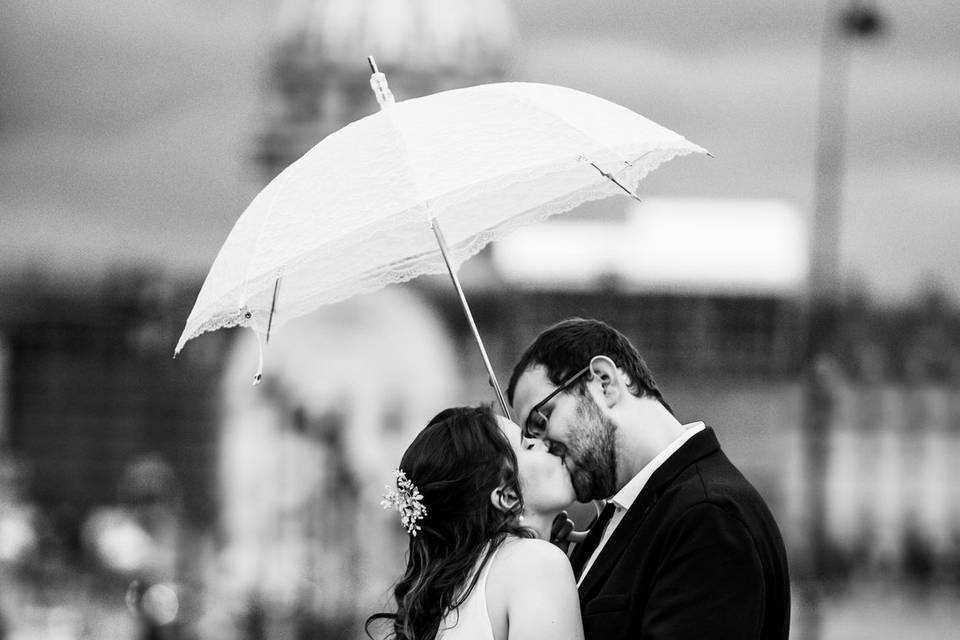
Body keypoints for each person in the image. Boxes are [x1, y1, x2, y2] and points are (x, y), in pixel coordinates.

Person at [507, 318, 791, 640]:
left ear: (604, 381)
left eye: (542, 421)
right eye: (530, 437)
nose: (544, 449)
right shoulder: (625, 516)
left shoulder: (709, 516)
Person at [367, 405, 585, 640]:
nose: (547, 442)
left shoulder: (451, 596)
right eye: (528, 445)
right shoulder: (537, 564)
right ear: (507, 496)